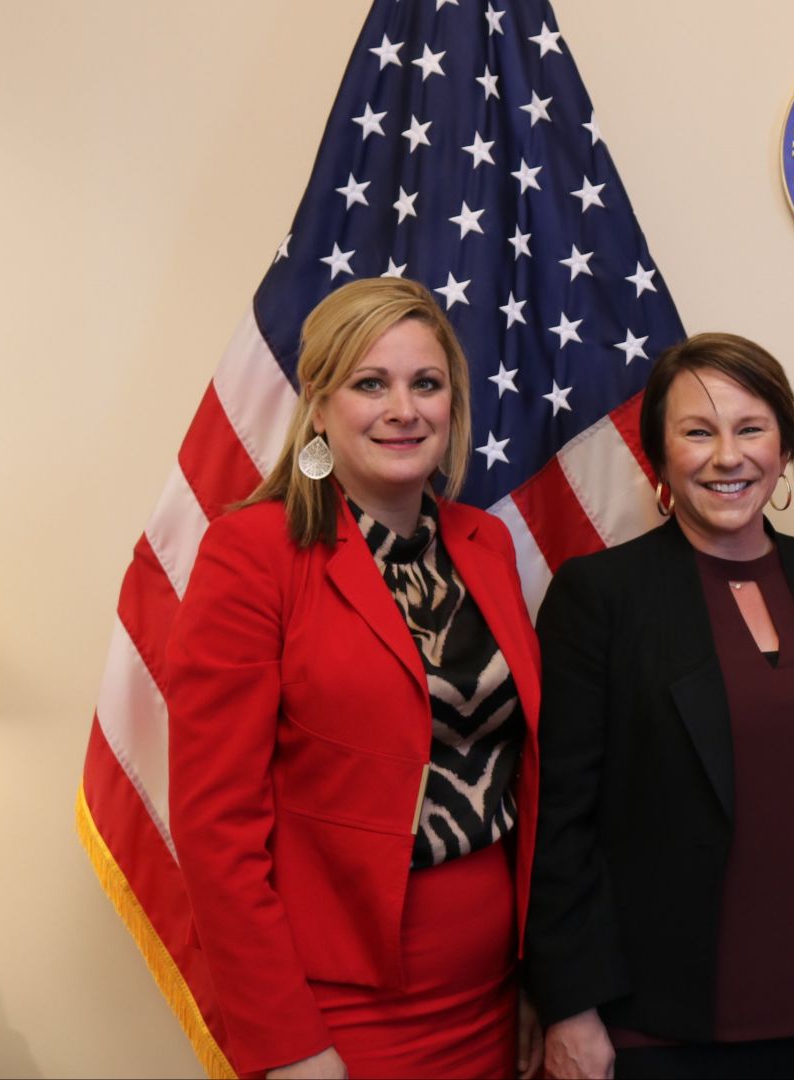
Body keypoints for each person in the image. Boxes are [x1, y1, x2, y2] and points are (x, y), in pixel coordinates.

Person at [165, 276, 544, 1078]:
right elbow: (214, 826)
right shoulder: (252, 555)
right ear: (319, 405)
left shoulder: (486, 546)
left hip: (495, 993)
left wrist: (542, 979)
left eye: (425, 384)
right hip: (341, 1008)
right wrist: (290, 1043)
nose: (403, 409)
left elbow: (518, 774)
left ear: (453, 403)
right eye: (371, 384)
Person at [524, 333, 794, 1079]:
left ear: (784, 446)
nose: (727, 457)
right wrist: (570, 1004)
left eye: (751, 428)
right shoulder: (601, 597)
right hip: (656, 1025)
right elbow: (557, 820)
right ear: (659, 453)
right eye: (697, 431)